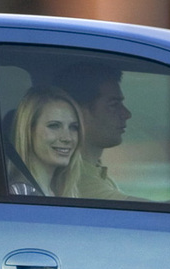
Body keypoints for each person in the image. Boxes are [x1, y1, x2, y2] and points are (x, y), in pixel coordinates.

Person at [51, 60, 142, 201]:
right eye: (113, 105)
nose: (126, 114)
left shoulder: (93, 172)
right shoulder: (79, 182)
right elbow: (155, 212)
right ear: (79, 112)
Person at [8, 87, 85, 197]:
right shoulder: (19, 194)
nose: (67, 138)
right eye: (54, 126)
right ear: (28, 130)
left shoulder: (62, 194)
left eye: (73, 127)